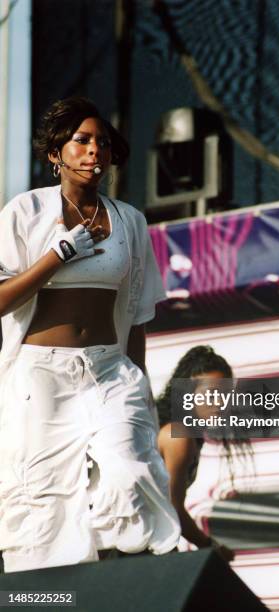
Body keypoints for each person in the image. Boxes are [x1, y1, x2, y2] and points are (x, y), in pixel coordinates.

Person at [0, 96, 180, 573]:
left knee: (129, 471)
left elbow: (137, 314)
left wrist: (139, 385)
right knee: (45, 507)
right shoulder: (25, 211)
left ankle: (122, 580)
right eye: (81, 141)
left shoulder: (129, 221)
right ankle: (46, 600)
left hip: (108, 370)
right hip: (42, 378)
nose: (93, 150)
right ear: (55, 153)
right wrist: (55, 255)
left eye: (101, 142)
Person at [157, 345, 251, 563]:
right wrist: (210, 547)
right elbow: (172, 510)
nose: (219, 404)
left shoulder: (188, 435)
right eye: (210, 395)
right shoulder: (177, 436)